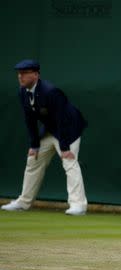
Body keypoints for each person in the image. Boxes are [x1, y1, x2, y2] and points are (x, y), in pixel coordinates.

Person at [1, 59, 89, 216]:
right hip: (50, 129)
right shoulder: (23, 92)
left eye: (24, 73)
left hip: (69, 128)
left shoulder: (51, 92)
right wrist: (34, 145)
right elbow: (29, 119)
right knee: (32, 160)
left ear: (35, 75)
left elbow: (62, 119)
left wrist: (65, 147)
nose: (20, 77)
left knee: (69, 161)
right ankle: (24, 202)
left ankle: (78, 205)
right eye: (19, 74)